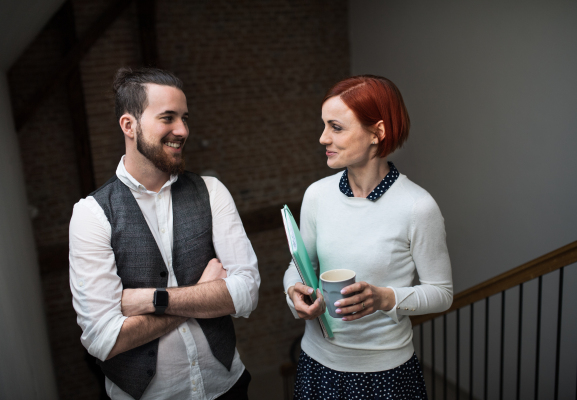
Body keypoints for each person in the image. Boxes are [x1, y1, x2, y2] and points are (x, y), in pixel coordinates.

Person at [69, 67, 260, 400]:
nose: (182, 130)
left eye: (185, 118)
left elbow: (246, 294)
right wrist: (203, 293)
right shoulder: (91, 214)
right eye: (168, 118)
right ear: (129, 125)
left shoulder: (211, 191)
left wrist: (151, 300)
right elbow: (103, 339)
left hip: (227, 386)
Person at [283, 75, 453, 399]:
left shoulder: (418, 206)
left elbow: (441, 293)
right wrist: (293, 291)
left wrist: (384, 298)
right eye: (323, 126)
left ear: (378, 132)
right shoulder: (317, 195)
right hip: (317, 364)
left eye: (336, 127)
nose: (322, 138)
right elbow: (299, 265)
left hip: (386, 374)